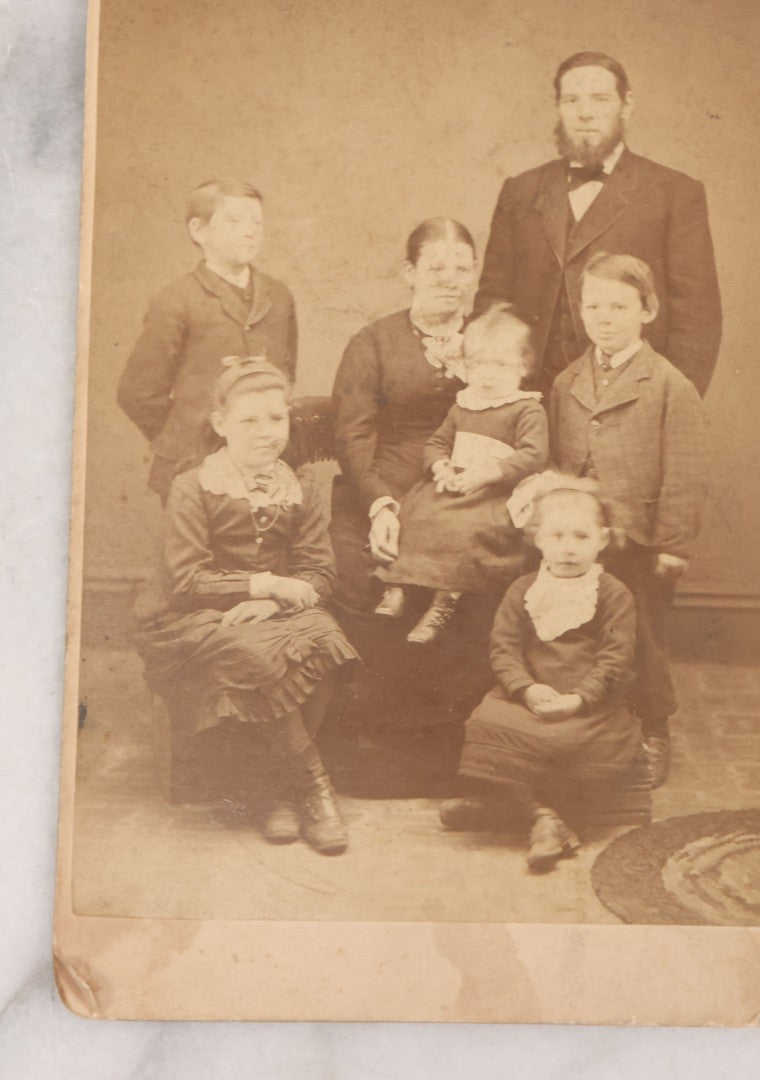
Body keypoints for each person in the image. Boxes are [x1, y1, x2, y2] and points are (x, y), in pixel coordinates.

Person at [134, 358, 357, 853]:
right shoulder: (193, 485)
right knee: (255, 656)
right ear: (220, 424)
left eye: (275, 419)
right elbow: (188, 579)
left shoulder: (300, 487)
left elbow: (319, 572)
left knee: (327, 640)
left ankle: (276, 792)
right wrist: (264, 585)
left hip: (274, 611)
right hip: (195, 614)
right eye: (248, 421)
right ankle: (314, 792)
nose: (265, 433)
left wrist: (275, 603)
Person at [330, 217, 494, 748]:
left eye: (462, 268)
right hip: (387, 483)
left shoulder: (494, 336)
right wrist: (378, 504)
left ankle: (451, 738)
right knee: (361, 568)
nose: (451, 279)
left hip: (469, 486)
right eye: (436, 267)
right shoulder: (373, 341)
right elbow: (353, 436)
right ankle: (369, 733)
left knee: (485, 564)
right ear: (410, 272)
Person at [548, 251, 708, 785]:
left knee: (641, 633)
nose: (604, 318)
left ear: (648, 310)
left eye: (618, 306)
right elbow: (555, 461)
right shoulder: (568, 381)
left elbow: (685, 473)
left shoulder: (669, 385)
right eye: (592, 305)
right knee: (577, 630)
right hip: (576, 536)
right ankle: (593, 724)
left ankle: (654, 728)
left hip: (637, 540)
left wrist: (673, 544)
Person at [474, 51, 721, 397]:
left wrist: (667, 405)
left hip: (631, 398)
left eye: (600, 99)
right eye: (571, 100)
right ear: (558, 107)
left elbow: (697, 320)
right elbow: (493, 302)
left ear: (626, 104)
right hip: (528, 399)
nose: (585, 112)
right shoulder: (520, 191)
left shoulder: (674, 193)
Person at [440, 481, 638, 873]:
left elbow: (616, 658)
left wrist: (580, 698)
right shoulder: (523, 590)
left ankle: (511, 812)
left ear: (602, 540)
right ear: (537, 539)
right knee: (486, 724)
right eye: (557, 535)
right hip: (529, 696)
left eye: (581, 536)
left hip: (589, 700)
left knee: (568, 738)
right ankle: (540, 817)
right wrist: (526, 689)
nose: (568, 547)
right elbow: (504, 648)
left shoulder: (613, 594)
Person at [374, 304, 548, 645]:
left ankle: (444, 601)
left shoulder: (526, 408)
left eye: (500, 364)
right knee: (416, 512)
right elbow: (438, 442)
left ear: (523, 367)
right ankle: (398, 586)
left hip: (493, 490)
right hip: (454, 481)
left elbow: (533, 454)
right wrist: (439, 465)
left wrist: (488, 474)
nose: (488, 374)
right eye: (479, 363)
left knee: (467, 530)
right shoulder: (464, 404)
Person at [117, 178, 298, 500]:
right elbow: (137, 393)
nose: (250, 230)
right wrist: (185, 435)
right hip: (194, 464)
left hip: (264, 462)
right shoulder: (175, 300)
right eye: (234, 220)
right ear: (199, 231)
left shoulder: (279, 296)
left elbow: (286, 374)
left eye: (257, 221)